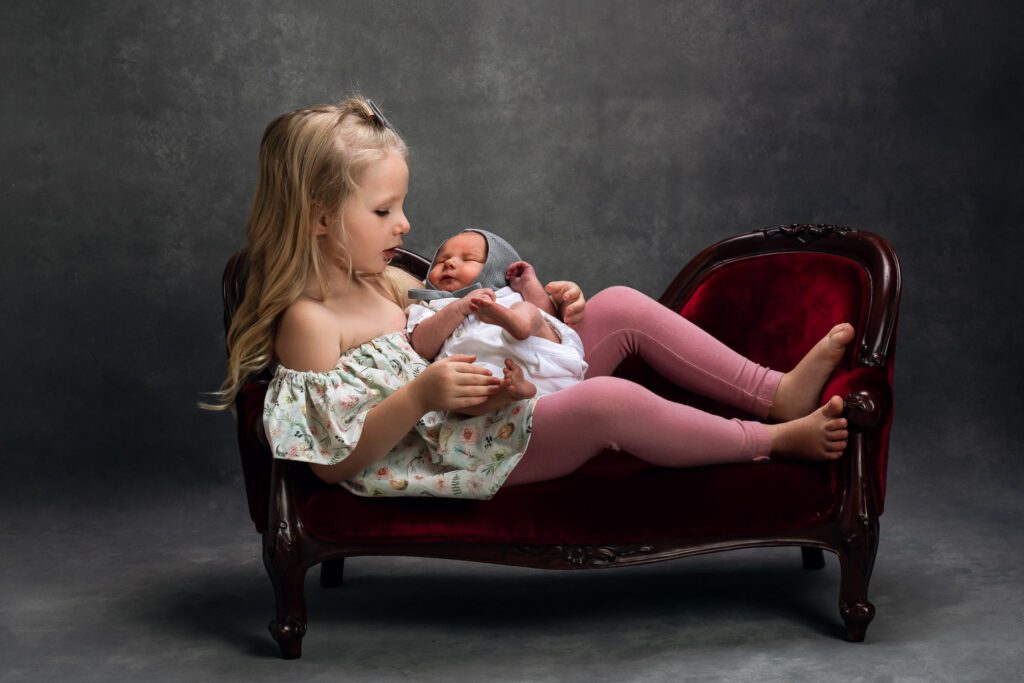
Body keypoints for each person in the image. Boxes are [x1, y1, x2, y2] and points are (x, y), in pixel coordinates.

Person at [211, 96, 852, 500]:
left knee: (620, 304)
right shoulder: (310, 322)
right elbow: (331, 463)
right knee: (607, 402)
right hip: (457, 454)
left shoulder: (393, 282)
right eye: (383, 211)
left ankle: (775, 392)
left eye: (402, 207)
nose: (406, 226)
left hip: (496, 406)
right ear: (319, 217)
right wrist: (419, 394)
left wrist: (547, 311)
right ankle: (770, 440)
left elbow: (481, 329)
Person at [405, 228, 588, 415]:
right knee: (457, 394)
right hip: (495, 380)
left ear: (495, 265)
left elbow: (549, 316)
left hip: (543, 357)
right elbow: (422, 346)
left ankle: (517, 324)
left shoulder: (507, 293)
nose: (449, 263)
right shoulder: (430, 307)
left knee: (529, 311)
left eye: (468, 259)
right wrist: (460, 307)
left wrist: (528, 284)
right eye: (441, 261)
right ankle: (507, 393)